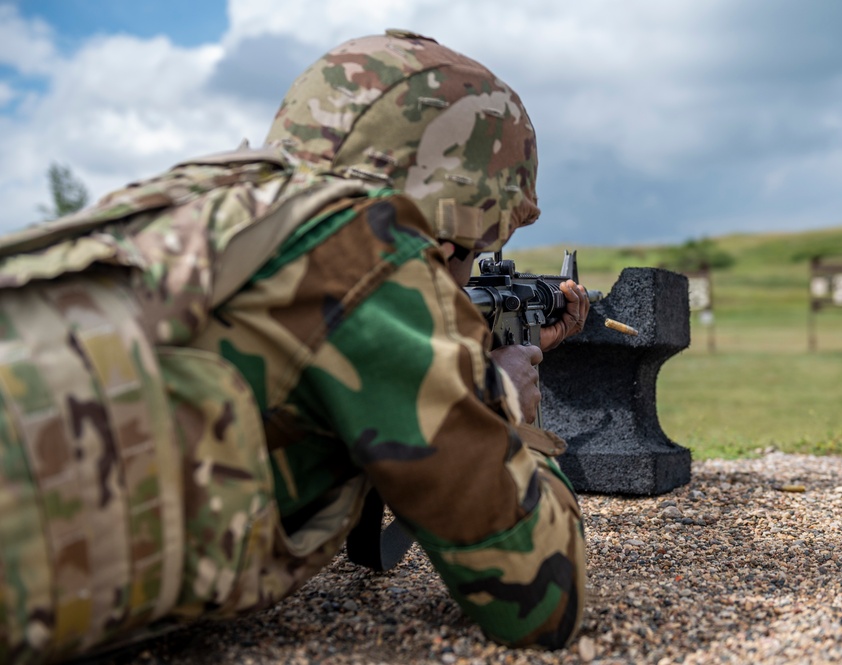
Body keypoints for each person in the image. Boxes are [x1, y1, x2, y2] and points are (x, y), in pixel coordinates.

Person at [0, 29, 589, 663]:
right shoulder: (364, 255)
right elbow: (544, 601)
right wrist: (502, 400)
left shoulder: (199, 205)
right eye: (474, 252)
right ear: (464, 216)